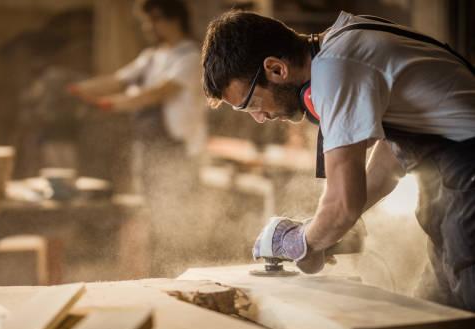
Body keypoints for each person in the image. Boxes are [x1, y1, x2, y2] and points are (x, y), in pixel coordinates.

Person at [201, 11, 475, 310]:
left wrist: (302, 243)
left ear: (276, 69)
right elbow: (388, 166)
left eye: (252, 104)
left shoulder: (336, 70)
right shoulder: (344, 45)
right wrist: (321, 229)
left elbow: (344, 204)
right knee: (435, 312)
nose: (259, 118)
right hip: (456, 176)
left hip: (467, 174)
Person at [69, 0, 207, 276]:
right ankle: (160, 275)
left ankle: (182, 273)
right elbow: (118, 80)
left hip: (177, 151)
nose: (147, 27)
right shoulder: (151, 57)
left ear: (170, 19)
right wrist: (76, 88)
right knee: (153, 217)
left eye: (151, 20)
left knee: (176, 219)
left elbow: (155, 94)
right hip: (149, 148)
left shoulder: (190, 56)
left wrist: (110, 104)